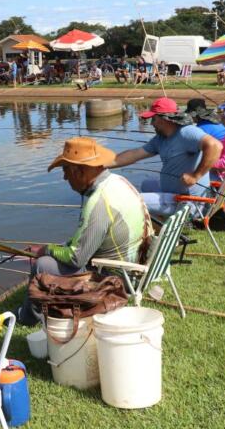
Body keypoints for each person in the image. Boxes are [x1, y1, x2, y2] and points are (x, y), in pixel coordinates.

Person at [17, 137, 152, 325]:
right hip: (134, 267)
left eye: (65, 171)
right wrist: (58, 247)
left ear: (79, 171)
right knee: (53, 255)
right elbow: (84, 241)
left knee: (42, 265)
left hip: (115, 279)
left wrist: (45, 250)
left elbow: (76, 258)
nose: (65, 178)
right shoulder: (117, 181)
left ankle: (27, 318)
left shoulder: (98, 202)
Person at [104, 97, 223, 217]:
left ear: (164, 119)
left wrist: (195, 176)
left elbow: (215, 146)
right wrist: (102, 164)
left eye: (153, 119)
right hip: (173, 194)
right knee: (146, 184)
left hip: (188, 202)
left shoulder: (187, 132)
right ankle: (155, 217)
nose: (151, 123)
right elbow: (135, 154)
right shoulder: (160, 139)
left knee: (132, 201)